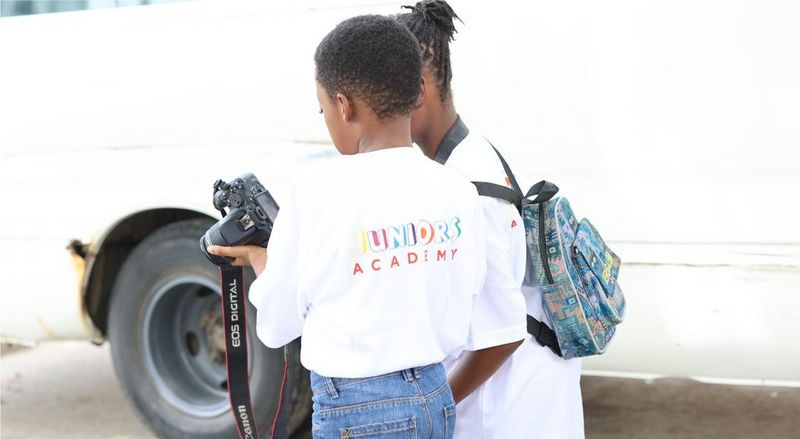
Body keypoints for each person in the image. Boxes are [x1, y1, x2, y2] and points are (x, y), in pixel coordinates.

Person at [208, 14, 522, 438]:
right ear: (416, 92)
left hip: (355, 410)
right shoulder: (458, 190)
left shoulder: (316, 191)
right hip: (436, 399)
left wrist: (264, 263)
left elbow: (278, 324)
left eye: (323, 109)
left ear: (344, 105)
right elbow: (462, 290)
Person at [396, 1, 586, 438]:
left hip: (509, 409)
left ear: (419, 91)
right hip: (532, 394)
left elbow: (503, 335)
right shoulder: (473, 152)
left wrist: (432, 406)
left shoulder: (466, 187)